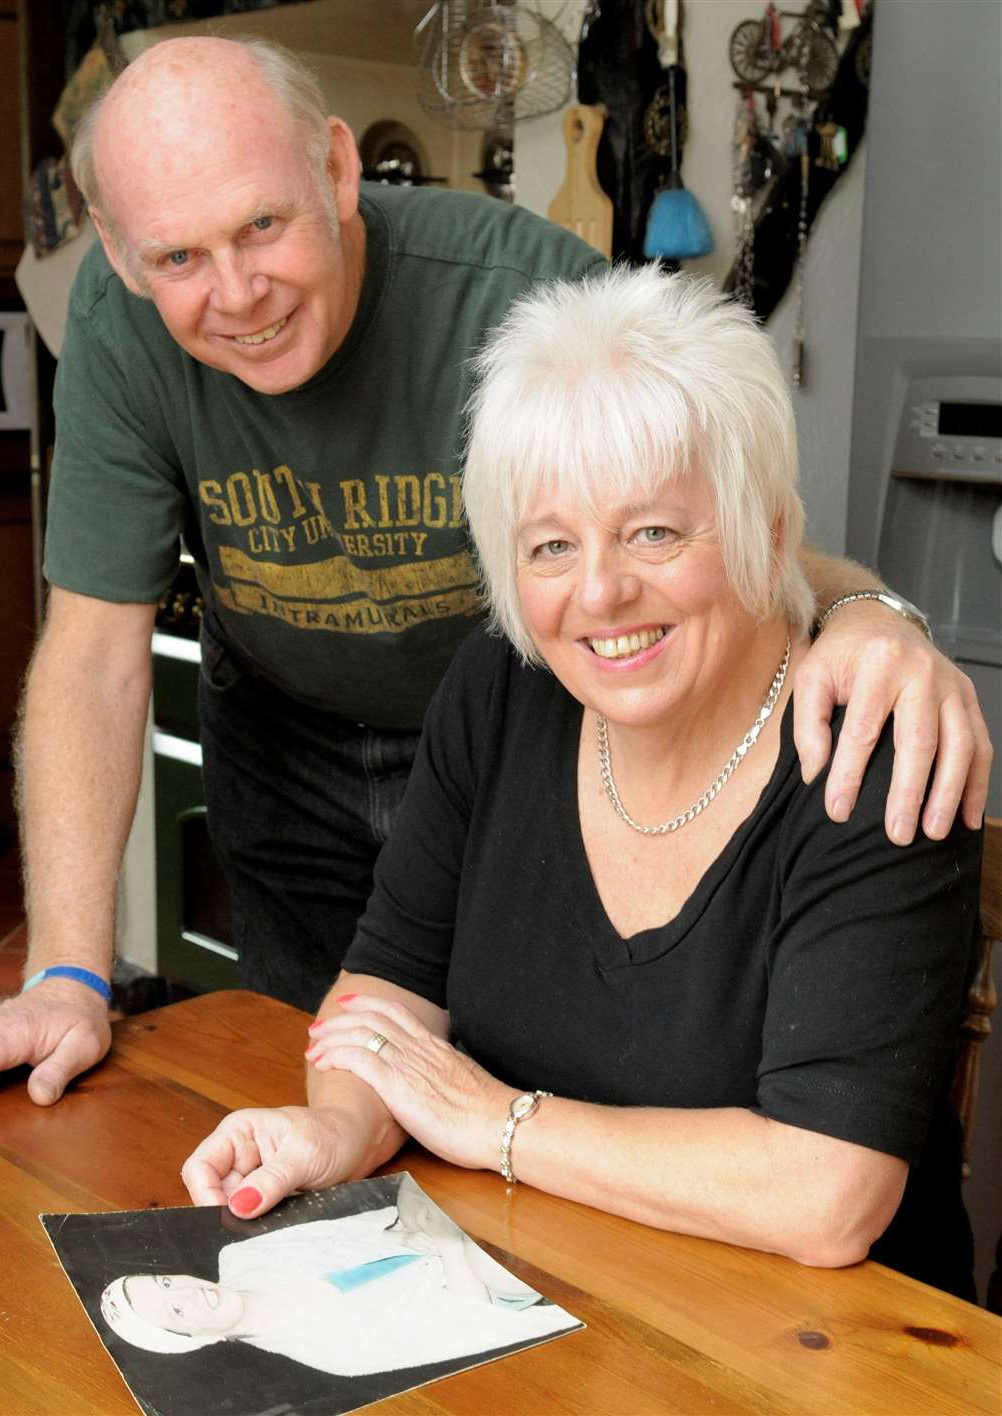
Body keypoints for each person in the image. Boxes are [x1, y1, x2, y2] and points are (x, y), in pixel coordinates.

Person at [0, 38, 990, 1123]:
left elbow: (694, 537)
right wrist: (67, 974)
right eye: (179, 260)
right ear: (116, 248)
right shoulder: (119, 328)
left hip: (511, 753)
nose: (237, 295)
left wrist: (869, 611)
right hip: (290, 747)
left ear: (338, 170)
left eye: (261, 226)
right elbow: (94, 653)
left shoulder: (519, 292)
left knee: (527, 1080)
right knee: (333, 1096)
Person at [182, 267, 983, 1301]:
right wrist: (336, 1127)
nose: (599, 592)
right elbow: (385, 990)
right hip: (539, 1290)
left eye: (653, 531)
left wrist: (494, 1124)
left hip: (811, 1353)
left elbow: (827, 1193)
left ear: (769, 532)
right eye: (551, 547)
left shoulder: (870, 739)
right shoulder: (501, 690)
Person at [99, 1182, 575, 1375]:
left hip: (422, 1233)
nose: (186, 1291)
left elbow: (372, 1225)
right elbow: (468, 1322)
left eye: (164, 1283)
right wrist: (449, 1246)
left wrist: (416, 1227)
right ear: (193, 1341)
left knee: (427, 1187)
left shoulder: (243, 1253)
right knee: (490, 1259)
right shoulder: (333, 1355)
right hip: (483, 1287)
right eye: (176, 1310)